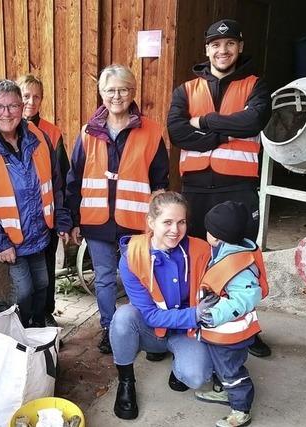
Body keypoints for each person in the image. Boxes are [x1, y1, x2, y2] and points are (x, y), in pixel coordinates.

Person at [166, 18, 272, 358]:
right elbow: (177, 132)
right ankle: (197, 323)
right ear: (207, 49)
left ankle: (247, 327)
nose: (222, 50)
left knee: (241, 260)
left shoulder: (256, 85)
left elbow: (253, 120)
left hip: (238, 189)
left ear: (239, 47)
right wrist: (228, 131)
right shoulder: (185, 90)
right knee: (196, 258)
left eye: (229, 44)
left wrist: (207, 123)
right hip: (196, 189)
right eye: (215, 44)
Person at [66, 64, 170, 354]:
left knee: (140, 277)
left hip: (136, 223)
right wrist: (74, 219)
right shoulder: (88, 132)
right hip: (97, 221)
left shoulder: (150, 130)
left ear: (133, 92)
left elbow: (160, 180)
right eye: (110, 90)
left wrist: (159, 224)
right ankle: (109, 328)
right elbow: (74, 178)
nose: (117, 96)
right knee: (104, 278)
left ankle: (145, 328)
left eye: (123, 89)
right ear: (101, 94)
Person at [110, 190, 219, 420]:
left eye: (181, 222)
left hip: (187, 333)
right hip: (153, 331)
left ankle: (179, 363)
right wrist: (195, 314)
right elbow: (149, 315)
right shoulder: (133, 255)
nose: (175, 230)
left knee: (197, 377)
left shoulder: (200, 251)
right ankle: (126, 382)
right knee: (123, 316)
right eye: (167, 222)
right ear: (151, 222)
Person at [0, 79, 71, 328]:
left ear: (22, 107)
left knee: (42, 285)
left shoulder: (38, 137)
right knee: (23, 292)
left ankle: (38, 333)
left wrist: (61, 219)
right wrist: (0, 242)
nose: (6, 113)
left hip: (39, 233)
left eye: (13, 106)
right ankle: (21, 336)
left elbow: (55, 182)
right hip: (10, 240)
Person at [193, 201, 269, 427]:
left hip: (231, 331)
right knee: (221, 366)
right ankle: (224, 391)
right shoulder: (224, 251)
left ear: (216, 236)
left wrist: (216, 315)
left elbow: (246, 297)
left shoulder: (238, 264)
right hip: (219, 331)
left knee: (232, 371)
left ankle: (240, 409)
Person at [16, 74, 71, 328]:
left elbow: (62, 178)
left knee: (46, 269)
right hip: (19, 218)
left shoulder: (51, 132)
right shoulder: (4, 130)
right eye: (26, 96)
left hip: (46, 215)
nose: (31, 101)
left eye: (36, 96)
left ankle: (46, 311)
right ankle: (23, 317)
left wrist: (63, 219)